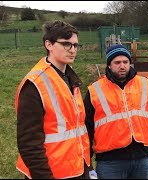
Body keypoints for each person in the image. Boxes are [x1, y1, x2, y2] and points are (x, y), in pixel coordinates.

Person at [84, 44, 148, 179]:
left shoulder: (146, 84)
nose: (122, 66)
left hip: (142, 159)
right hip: (110, 162)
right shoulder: (94, 91)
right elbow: (86, 128)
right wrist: (86, 162)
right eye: (117, 62)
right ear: (109, 65)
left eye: (125, 62)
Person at [15, 20, 97, 179]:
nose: (72, 50)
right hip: (52, 174)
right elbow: (29, 144)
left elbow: (78, 131)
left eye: (75, 45)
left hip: (78, 170)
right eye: (66, 44)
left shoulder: (70, 79)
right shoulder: (34, 84)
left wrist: (88, 168)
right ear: (49, 44)